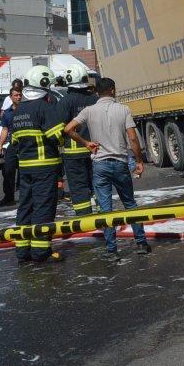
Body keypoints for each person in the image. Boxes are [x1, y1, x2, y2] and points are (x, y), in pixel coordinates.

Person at [65, 77, 151, 261]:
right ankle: (141, 243)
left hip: (100, 164)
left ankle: (112, 250)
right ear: (112, 90)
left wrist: (86, 143)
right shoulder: (123, 109)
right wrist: (139, 160)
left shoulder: (89, 111)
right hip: (120, 163)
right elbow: (133, 138)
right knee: (130, 204)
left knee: (106, 209)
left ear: (97, 92)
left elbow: (68, 129)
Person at [9, 68, 67, 264]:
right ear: (44, 85)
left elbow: (14, 142)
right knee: (43, 207)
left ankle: (22, 250)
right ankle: (41, 251)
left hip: (25, 169)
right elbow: (57, 137)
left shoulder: (18, 111)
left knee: (25, 207)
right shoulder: (44, 107)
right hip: (45, 167)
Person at [57, 63, 99, 216]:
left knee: (78, 187)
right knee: (97, 184)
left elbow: (60, 128)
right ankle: (103, 216)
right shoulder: (94, 99)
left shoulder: (64, 102)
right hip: (95, 150)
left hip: (73, 154)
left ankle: (84, 217)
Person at [0, 86, 24, 207]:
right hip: (13, 145)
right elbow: (5, 129)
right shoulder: (7, 113)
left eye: (20, 95)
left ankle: (25, 197)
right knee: (7, 170)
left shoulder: (26, 110)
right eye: (16, 95)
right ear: (11, 97)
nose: (18, 97)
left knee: (24, 172)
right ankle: (8, 196)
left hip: (25, 145)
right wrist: (0, 145)